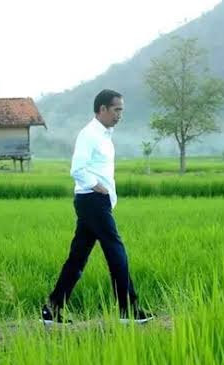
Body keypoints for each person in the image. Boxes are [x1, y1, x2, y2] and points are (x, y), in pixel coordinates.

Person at [41, 89, 153, 325]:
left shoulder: (104, 136)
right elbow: (77, 169)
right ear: (102, 109)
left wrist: (108, 196)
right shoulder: (89, 134)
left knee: (78, 257)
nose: (120, 115)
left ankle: (52, 308)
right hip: (92, 200)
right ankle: (128, 310)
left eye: (121, 110)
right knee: (116, 251)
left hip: (95, 203)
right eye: (116, 110)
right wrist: (98, 187)